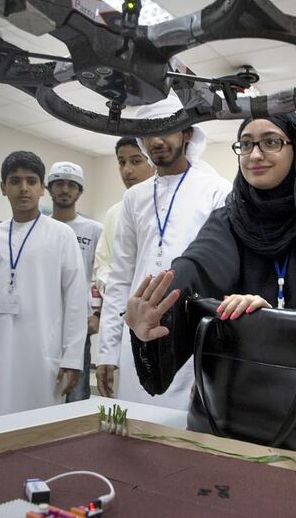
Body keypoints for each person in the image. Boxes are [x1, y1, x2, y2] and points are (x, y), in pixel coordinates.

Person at [124, 112, 296, 411]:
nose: (255, 155)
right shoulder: (230, 217)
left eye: (271, 142)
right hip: (238, 394)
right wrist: (158, 307)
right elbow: (199, 265)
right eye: (246, 144)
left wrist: (269, 320)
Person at [96, 98, 232, 408]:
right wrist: (108, 350)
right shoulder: (133, 198)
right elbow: (119, 279)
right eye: (149, 131)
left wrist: (212, 359)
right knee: (134, 429)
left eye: (167, 129)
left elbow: (221, 280)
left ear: (186, 133)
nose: (157, 140)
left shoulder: (217, 190)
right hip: (137, 337)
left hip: (190, 337)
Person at [0, 151, 88, 420]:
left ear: (42, 188)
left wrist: (71, 358)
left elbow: (76, 300)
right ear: (2, 187)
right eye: (15, 181)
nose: (23, 189)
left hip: (42, 350)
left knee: (36, 426)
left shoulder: (61, 235)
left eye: (31, 181)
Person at [47, 160, 103, 402]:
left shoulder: (94, 230)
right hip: (43, 325)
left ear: (80, 191)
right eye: (59, 183)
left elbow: (103, 276)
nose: (65, 189)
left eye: (72, 185)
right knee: (43, 391)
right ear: (48, 188)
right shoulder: (40, 227)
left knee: (75, 395)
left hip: (78, 327)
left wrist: (98, 315)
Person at [93, 137, 155, 296]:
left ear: (153, 163)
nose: (127, 170)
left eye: (136, 161)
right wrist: (115, 289)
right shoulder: (114, 213)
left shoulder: (167, 207)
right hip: (120, 305)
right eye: (122, 162)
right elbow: (102, 264)